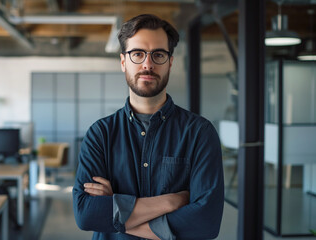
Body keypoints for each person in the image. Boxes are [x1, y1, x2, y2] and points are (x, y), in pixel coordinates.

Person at [73, 14, 224, 240]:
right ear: (123, 62)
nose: (148, 64)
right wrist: (172, 201)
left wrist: (116, 211)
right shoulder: (101, 134)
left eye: (159, 54)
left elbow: (206, 223)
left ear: (170, 62)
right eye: (137, 54)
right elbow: (86, 214)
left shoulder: (199, 133)